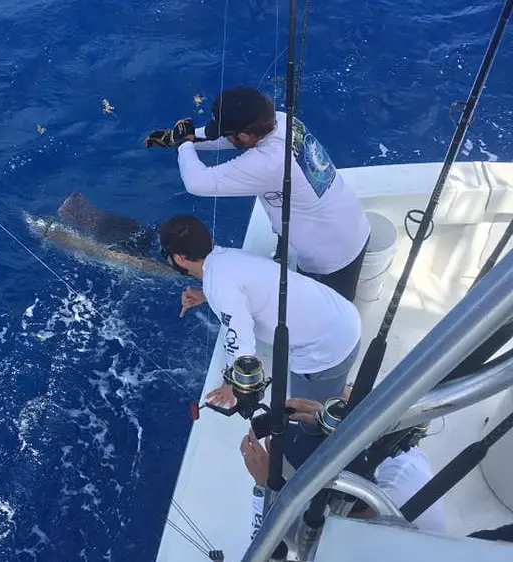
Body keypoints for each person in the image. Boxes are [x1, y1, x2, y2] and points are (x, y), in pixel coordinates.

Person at [146, 86, 371, 302]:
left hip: (333, 257)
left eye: (230, 134)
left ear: (245, 134)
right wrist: (182, 137)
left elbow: (196, 183)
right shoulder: (282, 120)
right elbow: (225, 138)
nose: (227, 138)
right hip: (347, 220)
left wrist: (185, 147)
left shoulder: (270, 162)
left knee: (328, 314)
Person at [157, 214, 361, 406]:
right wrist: (204, 295)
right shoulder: (228, 256)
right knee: (328, 387)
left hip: (326, 352)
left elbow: (242, 347)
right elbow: (247, 286)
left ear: (179, 259)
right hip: (343, 317)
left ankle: (334, 402)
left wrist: (231, 384)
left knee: (306, 414)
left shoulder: (220, 285)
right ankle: (336, 390)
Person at [241, 398, 447, 538]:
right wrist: (343, 422)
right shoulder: (404, 464)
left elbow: (291, 546)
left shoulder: (352, 542)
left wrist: (268, 486)